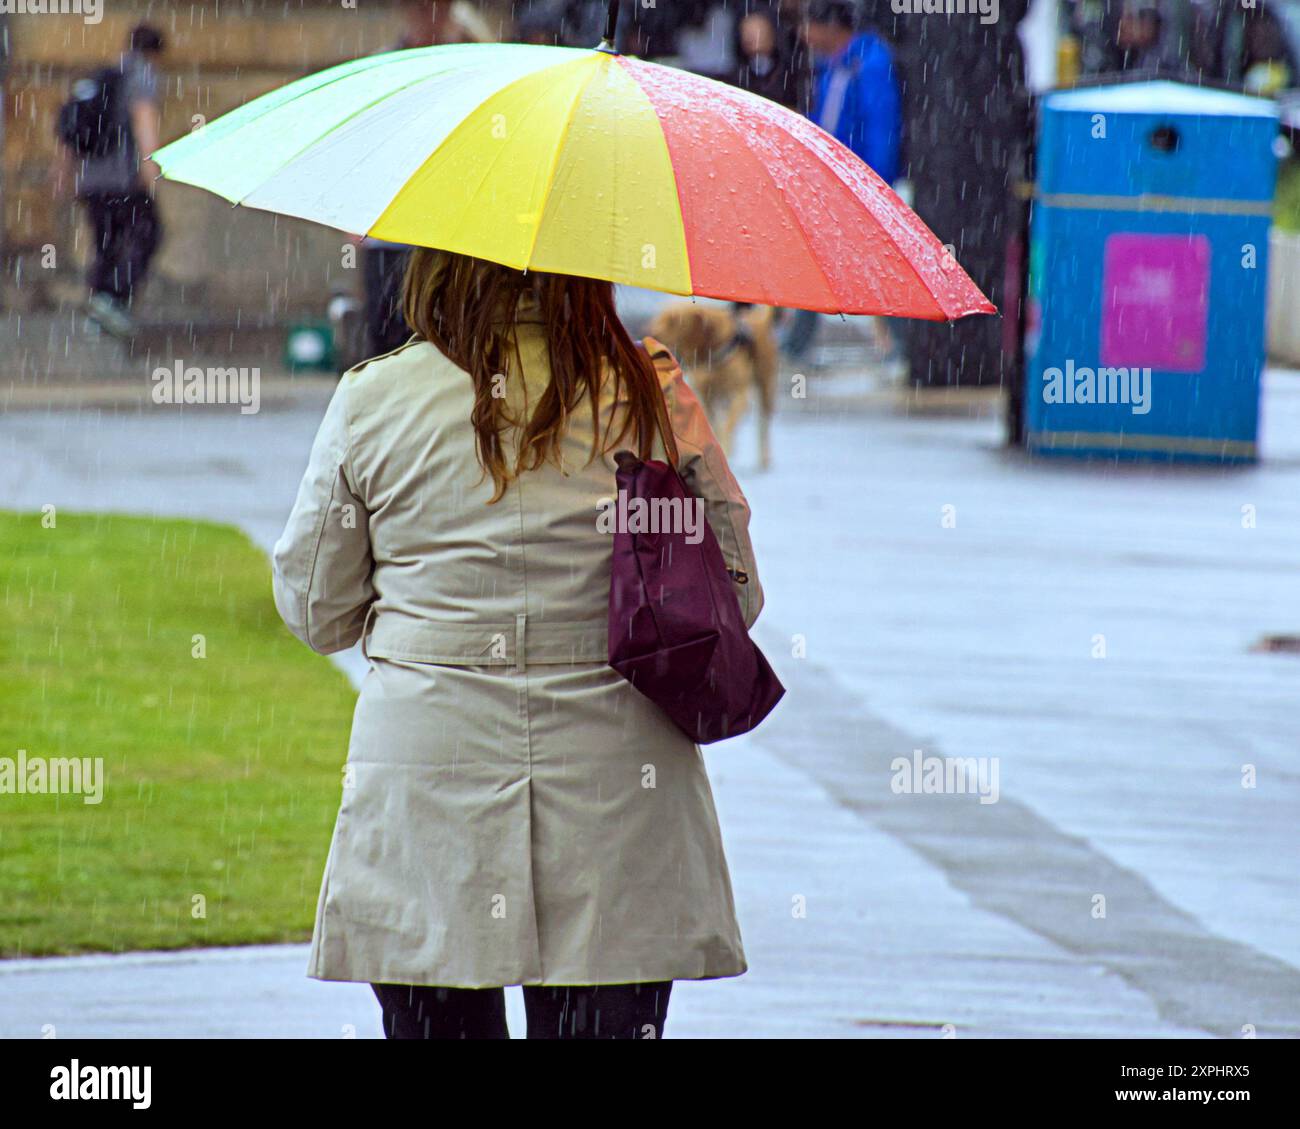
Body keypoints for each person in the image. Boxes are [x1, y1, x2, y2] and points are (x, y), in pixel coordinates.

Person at [271, 249, 762, 1039]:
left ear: (438, 267)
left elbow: (315, 609)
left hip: (431, 788)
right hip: (617, 796)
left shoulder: (375, 398)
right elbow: (735, 592)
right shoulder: (650, 390)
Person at [782, 0, 900, 366]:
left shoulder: (868, 62)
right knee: (818, 259)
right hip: (832, 181)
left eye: (809, 26)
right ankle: (798, 344)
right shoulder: (834, 65)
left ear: (831, 27)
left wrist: (876, 185)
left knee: (878, 267)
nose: (804, 35)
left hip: (858, 183)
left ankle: (897, 344)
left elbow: (882, 126)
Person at [54, 24, 165, 339]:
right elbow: (143, 117)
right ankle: (110, 299)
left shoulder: (99, 76)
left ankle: (97, 307)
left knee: (105, 244)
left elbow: (68, 131)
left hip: (91, 180)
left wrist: (64, 174)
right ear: (156, 52)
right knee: (150, 234)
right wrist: (150, 166)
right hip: (123, 179)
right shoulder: (142, 73)